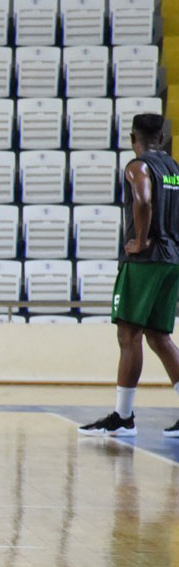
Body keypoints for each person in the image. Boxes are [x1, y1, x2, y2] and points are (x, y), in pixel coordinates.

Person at [80, 113, 179, 438]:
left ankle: (123, 417)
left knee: (129, 335)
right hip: (172, 258)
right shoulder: (175, 170)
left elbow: (143, 199)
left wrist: (139, 239)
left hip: (146, 260)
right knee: (159, 337)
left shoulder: (137, 166)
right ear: (163, 135)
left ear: (132, 138)